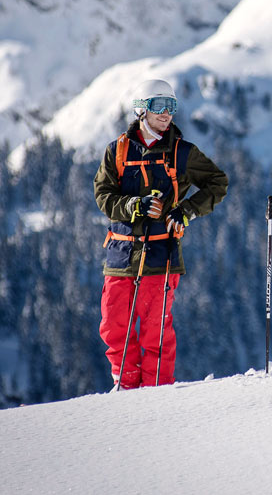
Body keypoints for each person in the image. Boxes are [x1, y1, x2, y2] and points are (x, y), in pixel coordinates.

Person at [94, 78, 228, 390]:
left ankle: (157, 391)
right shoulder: (116, 151)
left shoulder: (183, 153)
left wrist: (185, 211)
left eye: (171, 107)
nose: (166, 113)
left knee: (156, 330)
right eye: (158, 106)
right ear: (141, 110)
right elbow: (103, 196)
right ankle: (125, 385)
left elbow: (217, 182)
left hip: (161, 253)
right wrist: (133, 206)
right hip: (121, 254)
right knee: (114, 325)